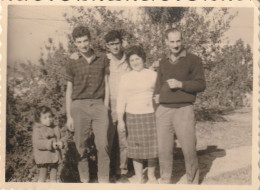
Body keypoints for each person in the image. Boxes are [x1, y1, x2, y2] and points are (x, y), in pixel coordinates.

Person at [154, 28, 206, 184]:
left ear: (182, 41)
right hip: (164, 110)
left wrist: (181, 84)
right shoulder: (163, 62)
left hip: (184, 109)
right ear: (166, 42)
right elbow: (158, 86)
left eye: (178, 41)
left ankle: (193, 182)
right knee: (164, 150)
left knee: (189, 149)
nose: (175, 45)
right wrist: (157, 105)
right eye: (172, 41)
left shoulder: (193, 60)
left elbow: (201, 84)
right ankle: (165, 180)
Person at [65, 26, 110, 183]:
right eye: (79, 42)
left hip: (98, 105)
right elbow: (69, 89)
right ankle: (85, 181)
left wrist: (106, 106)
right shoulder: (72, 62)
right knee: (80, 146)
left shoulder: (102, 58)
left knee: (103, 144)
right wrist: (69, 116)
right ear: (75, 43)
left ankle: (103, 181)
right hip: (78, 106)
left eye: (85, 41)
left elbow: (106, 83)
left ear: (90, 40)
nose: (83, 45)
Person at [117, 45, 158, 183]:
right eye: (132, 60)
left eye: (137, 59)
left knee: (152, 147)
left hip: (151, 115)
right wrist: (121, 120)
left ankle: (151, 175)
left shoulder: (153, 75)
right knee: (136, 149)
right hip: (133, 116)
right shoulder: (126, 78)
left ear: (143, 59)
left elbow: (160, 94)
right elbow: (121, 100)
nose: (135, 62)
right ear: (129, 62)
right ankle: (140, 177)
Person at [104, 30, 131, 182]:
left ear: (122, 43)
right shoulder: (104, 59)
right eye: (111, 44)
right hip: (109, 104)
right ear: (107, 46)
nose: (115, 47)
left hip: (126, 104)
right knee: (108, 140)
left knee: (123, 140)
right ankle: (107, 172)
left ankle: (122, 172)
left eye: (117, 43)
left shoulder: (129, 59)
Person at [32, 106, 65, 182]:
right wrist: (50, 144)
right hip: (44, 157)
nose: (49, 119)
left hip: (54, 156)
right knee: (43, 174)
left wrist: (61, 143)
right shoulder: (38, 130)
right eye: (45, 118)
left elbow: (62, 137)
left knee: (54, 174)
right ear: (39, 119)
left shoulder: (55, 128)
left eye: (50, 117)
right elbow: (38, 143)